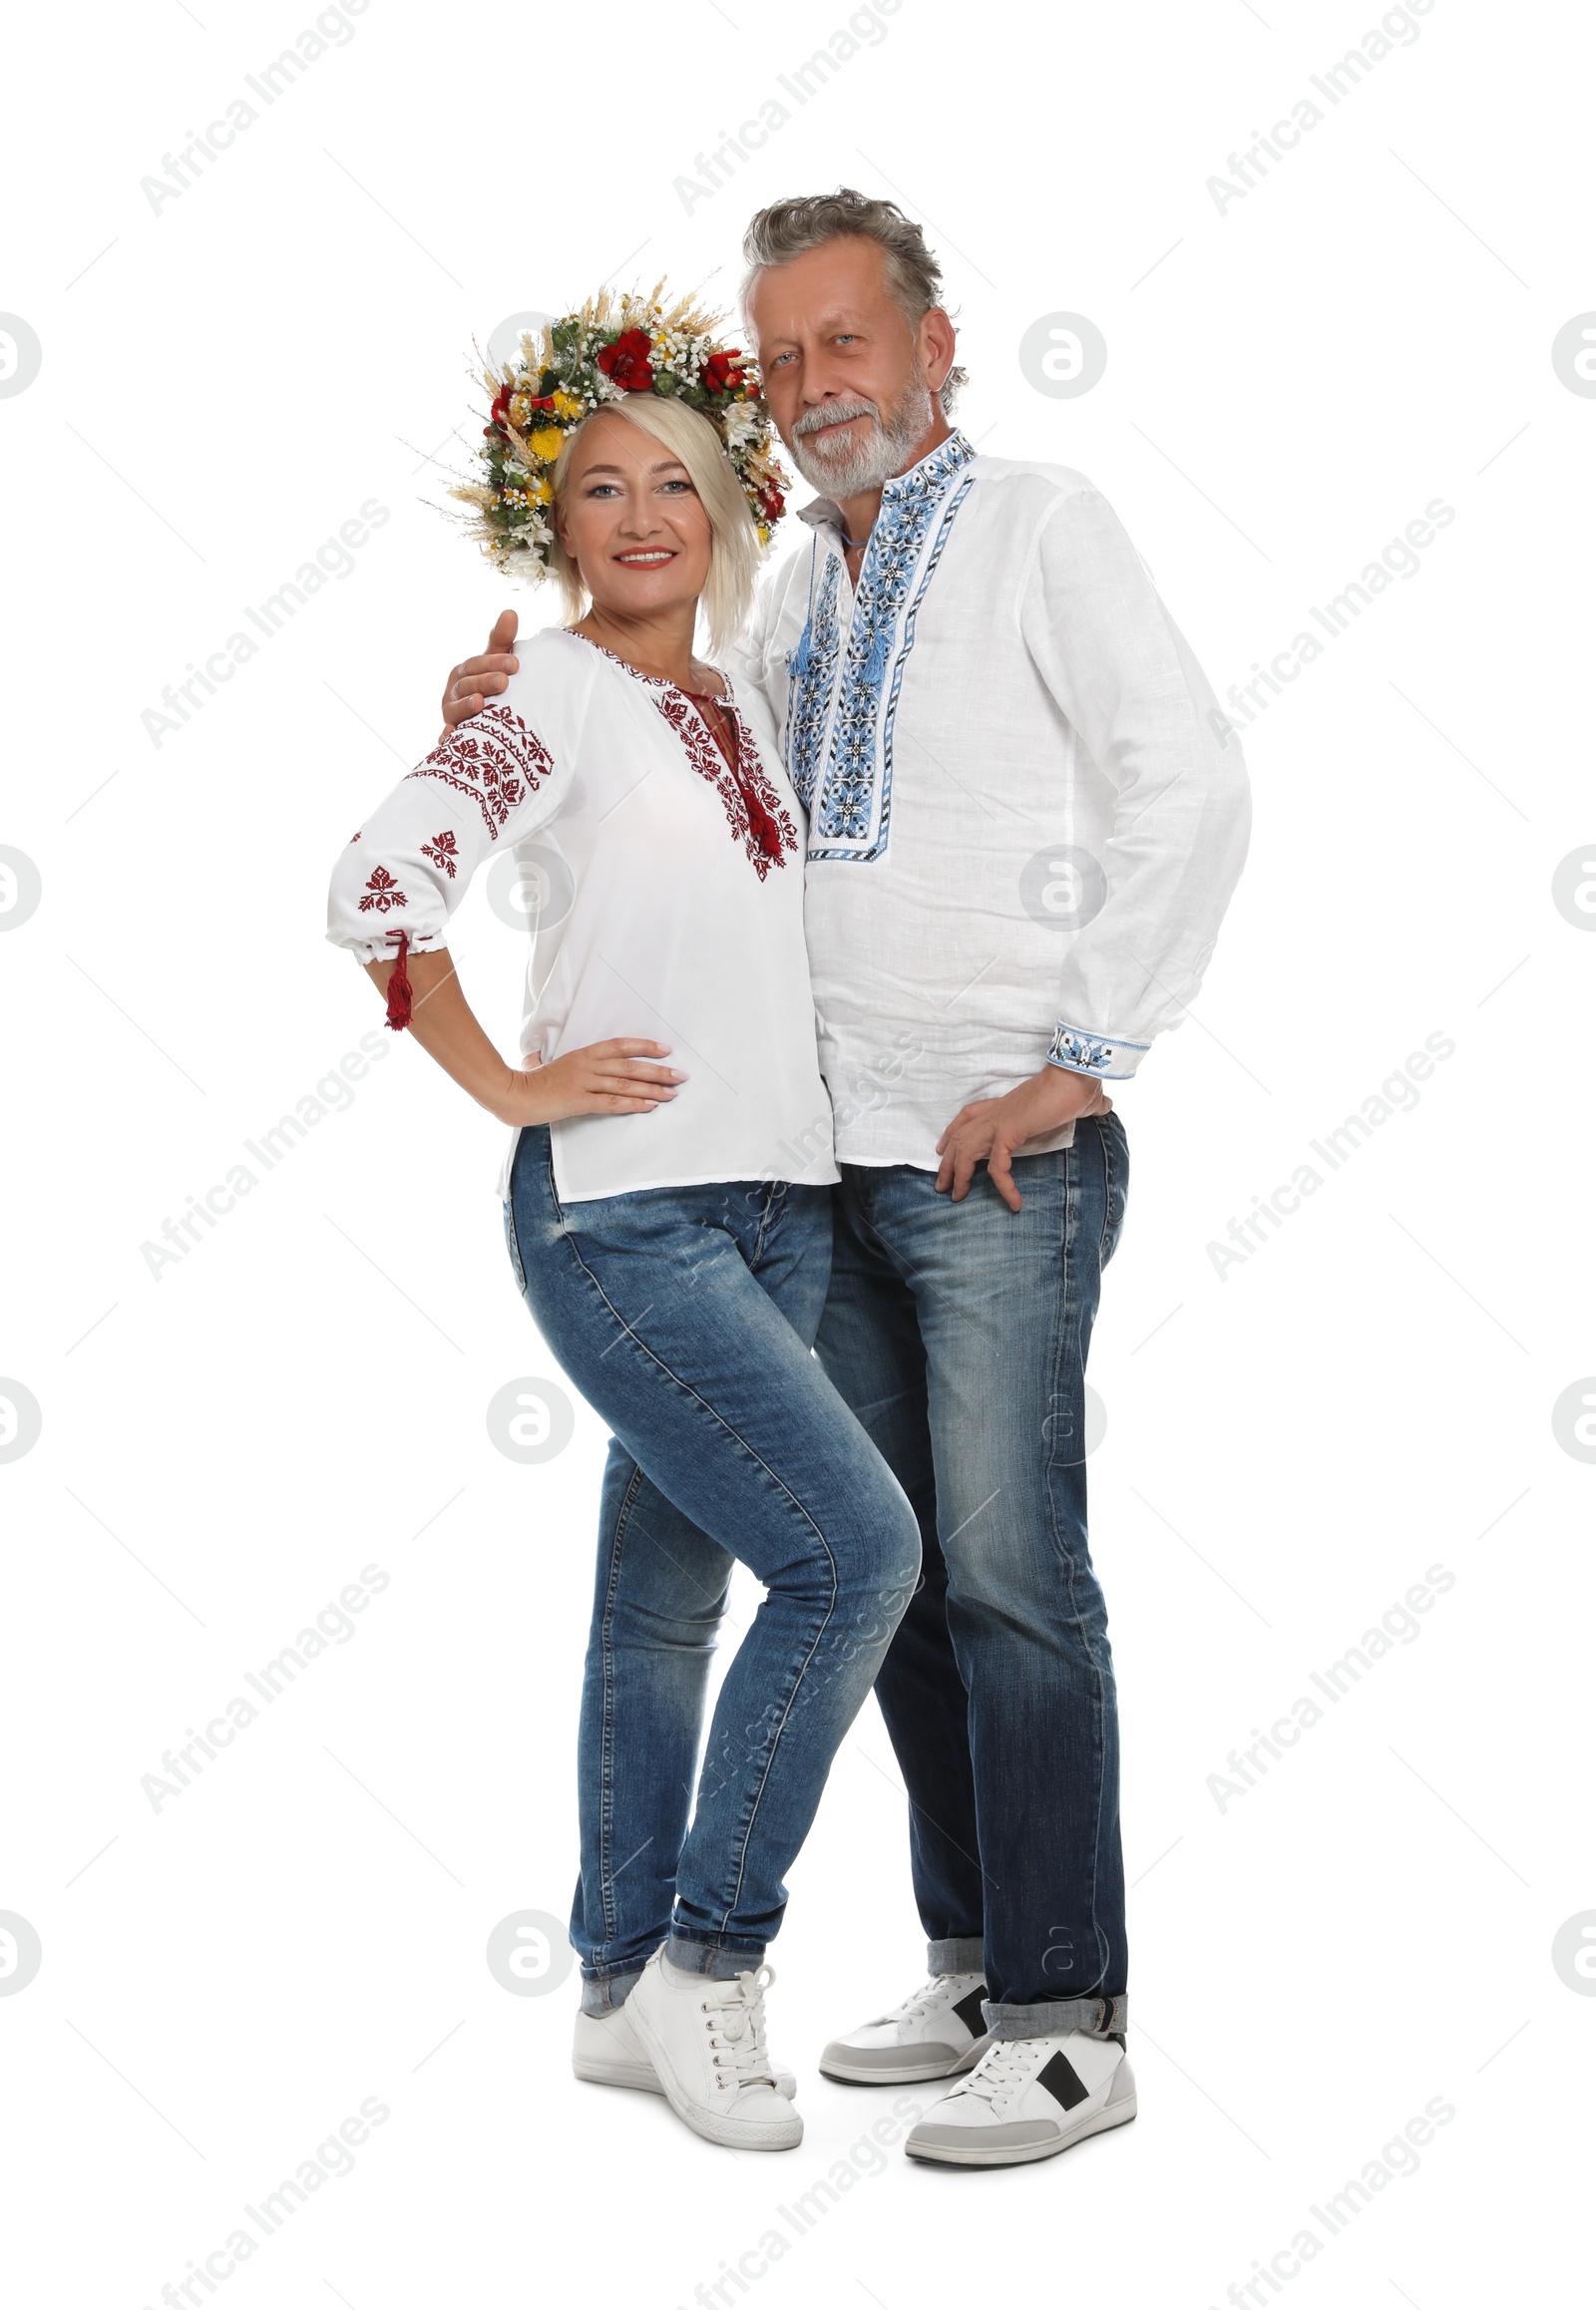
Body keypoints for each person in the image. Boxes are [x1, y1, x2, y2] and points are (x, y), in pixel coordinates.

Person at [430, 190, 1252, 2171]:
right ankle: (971, 1966)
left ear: (935, 346)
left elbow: (1190, 777)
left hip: (996, 1157)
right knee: (882, 1590)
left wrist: (1080, 1060)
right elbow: (711, 786)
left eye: (844, 345)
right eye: (782, 359)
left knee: (1010, 1579)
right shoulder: (791, 584)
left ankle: (1065, 2023)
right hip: (818, 1158)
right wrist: (504, 722)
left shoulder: (1039, 524)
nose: (814, 390)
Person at [325, 287, 921, 2155]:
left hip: (782, 1209)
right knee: (855, 1557)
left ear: (727, 505)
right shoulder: (545, 696)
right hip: (628, 1220)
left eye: (675, 481)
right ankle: (708, 1967)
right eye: (599, 488)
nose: (643, 516)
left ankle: (607, 1985)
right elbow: (372, 888)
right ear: (552, 519)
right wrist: (510, 1087)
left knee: (664, 1607)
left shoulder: (737, 691)